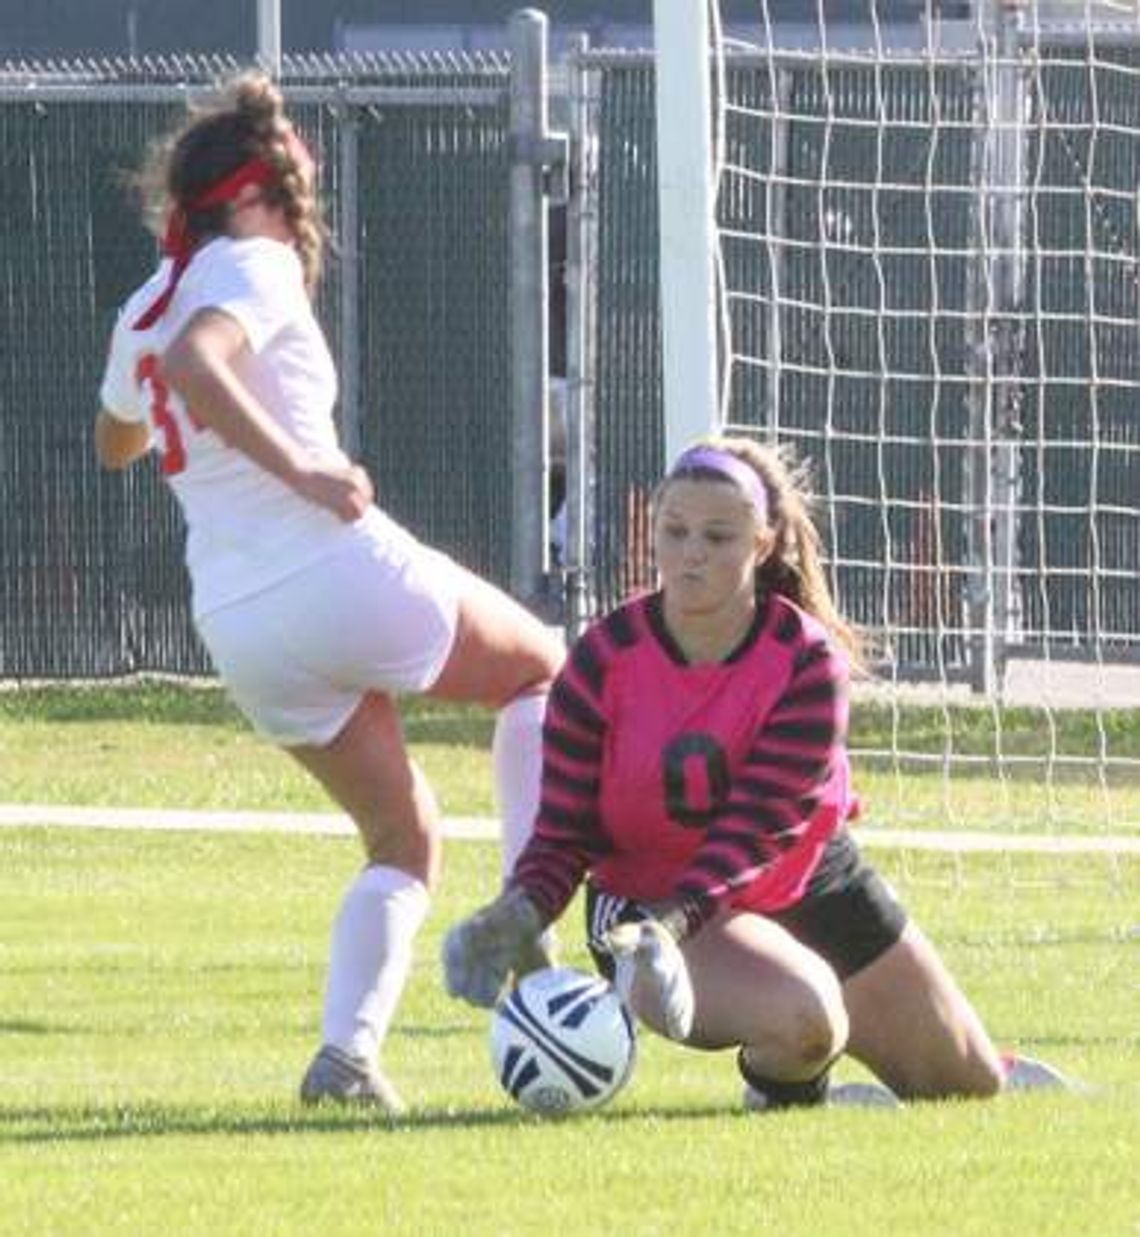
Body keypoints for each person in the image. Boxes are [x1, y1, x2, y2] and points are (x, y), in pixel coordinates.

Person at [94, 72, 564, 1114]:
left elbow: (117, 435)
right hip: (328, 564)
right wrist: (302, 472)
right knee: (544, 670)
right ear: (257, 195)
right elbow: (199, 364)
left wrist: (155, 401)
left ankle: (347, 1056)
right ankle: (534, 914)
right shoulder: (250, 262)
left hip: (239, 621)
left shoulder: (146, 300)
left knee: (404, 839)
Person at [442, 436, 1069, 1108]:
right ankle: (789, 1096)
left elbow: (755, 831)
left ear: (762, 544)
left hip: (800, 884)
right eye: (674, 531)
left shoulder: (805, 662)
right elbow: (564, 832)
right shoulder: (601, 659)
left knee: (966, 1088)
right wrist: (519, 910)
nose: (691, 553)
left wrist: (672, 921)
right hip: (642, 913)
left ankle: (877, 1073)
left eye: (717, 536)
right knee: (806, 1017)